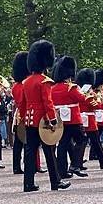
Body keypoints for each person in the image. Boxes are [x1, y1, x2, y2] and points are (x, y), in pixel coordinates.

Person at [22, 40, 70, 192]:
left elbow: (23, 104)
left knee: (30, 152)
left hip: (29, 120)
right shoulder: (44, 81)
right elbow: (47, 103)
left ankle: (28, 184)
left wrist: (23, 118)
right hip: (42, 121)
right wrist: (53, 119)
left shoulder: (26, 81)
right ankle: (55, 181)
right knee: (49, 152)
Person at [51, 56, 87, 178]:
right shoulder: (71, 88)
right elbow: (82, 99)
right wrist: (86, 93)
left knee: (63, 144)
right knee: (82, 140)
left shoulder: (53, 88)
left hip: (61, 120)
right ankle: (75, 164)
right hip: (74, 120)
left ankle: (62, 171)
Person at [75, 68, 103, 171]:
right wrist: (100, 99)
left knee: (87, 141)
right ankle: (101, 161)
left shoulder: (79, 90)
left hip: (82, 118)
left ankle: (79, 163)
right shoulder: (88, 93)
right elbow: (96, 106)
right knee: (93, 141)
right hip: (89, 119)